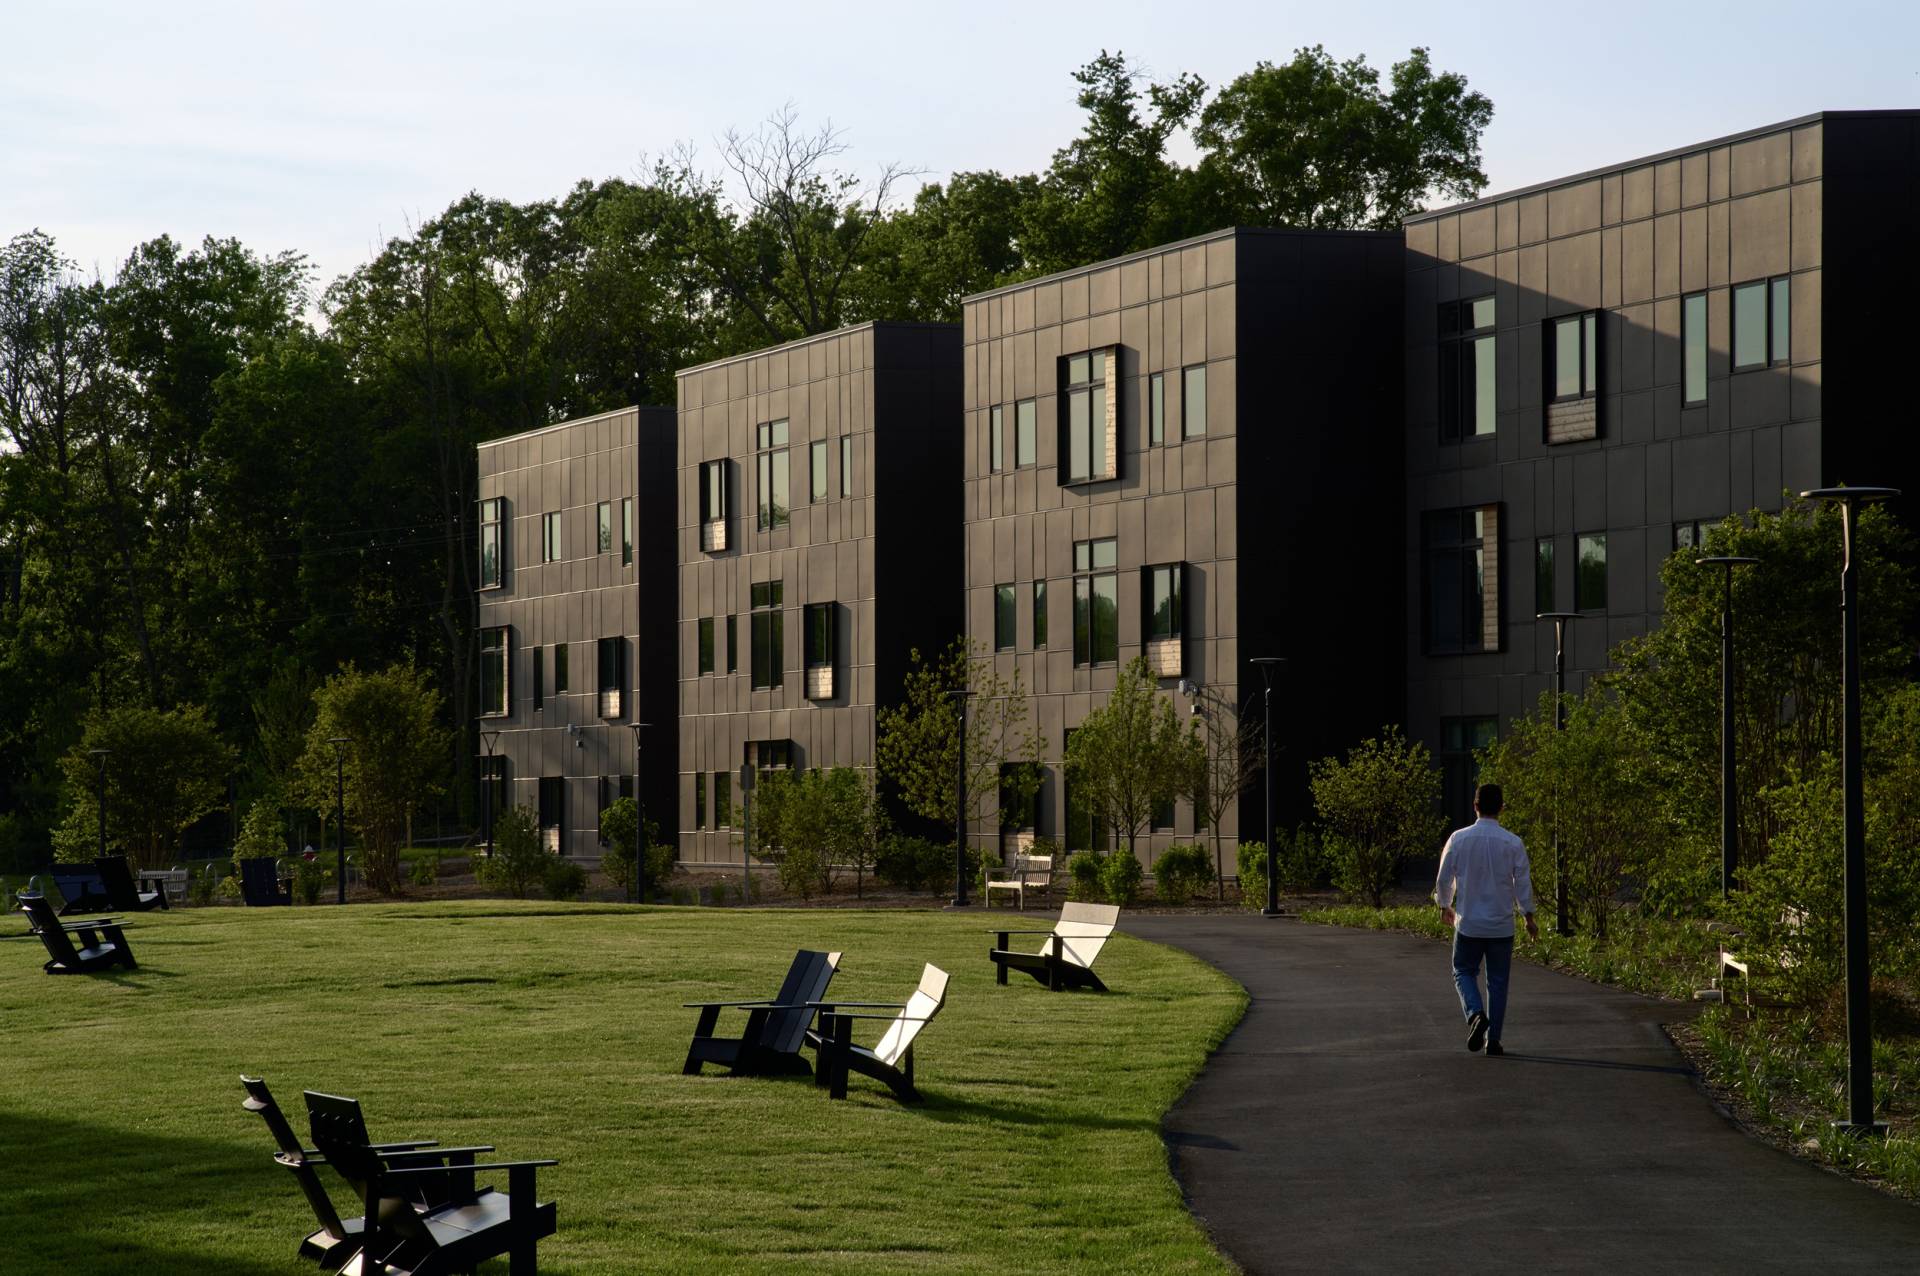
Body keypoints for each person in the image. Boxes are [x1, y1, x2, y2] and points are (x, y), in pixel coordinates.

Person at [1434, 782, 1537, 1056]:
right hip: (1501, 925)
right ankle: (1494, 1041)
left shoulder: (1458, 838)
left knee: (1463, 971)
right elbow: (1522, 883)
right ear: (1502, 808)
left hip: (1469, 923)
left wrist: (1444, 904)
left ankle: (1475, 1013)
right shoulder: (1513, 842)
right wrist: (1528, 915)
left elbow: (1444, 877)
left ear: (1475, 806)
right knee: (1498, 981)